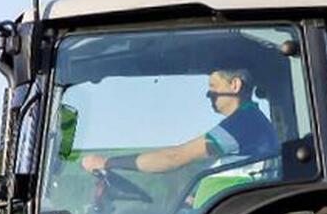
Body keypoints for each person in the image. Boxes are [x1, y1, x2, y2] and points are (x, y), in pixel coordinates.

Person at [81, 68, 279, 174]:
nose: (208, 94)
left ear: (234, 85)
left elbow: (174, 157)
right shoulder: (248, 120)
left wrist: (107, 162)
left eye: (213, 86)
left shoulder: (243, 123)